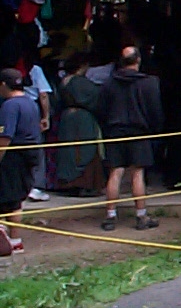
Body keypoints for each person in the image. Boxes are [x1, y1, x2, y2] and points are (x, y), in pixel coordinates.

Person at [96, 47, 163, 231]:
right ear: (138, 60)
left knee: (115, 172)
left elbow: (101, 109)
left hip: (115, 131)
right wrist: (155, 129)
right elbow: (155, 110)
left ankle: (110, 216)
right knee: (137, 173)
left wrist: (107, 128)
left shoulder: (108, 83)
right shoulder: (149, 83)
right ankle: (141, 216)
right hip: (139, 131)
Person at [1, 68, 40, 254]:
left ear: (3, 85)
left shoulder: (9, 106)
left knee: (7, 198)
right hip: (30, 153)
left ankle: (8, 237)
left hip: (13, 156)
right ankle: (15, 240)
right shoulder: (31, 103)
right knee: (16, 200)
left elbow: (5, 136)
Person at [55, 54, 105, 196]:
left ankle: (68, 183)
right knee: (84, 150)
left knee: (69, 150)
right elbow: (97, 98)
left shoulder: (63, 81)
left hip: (67, 118)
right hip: (82, 119)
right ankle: (84, 184)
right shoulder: (81, 83)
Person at [22, 56, 51, 201]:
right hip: (31, 107)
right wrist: (46, 116)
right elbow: (43, 94)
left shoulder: (8, 68)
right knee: (36, 147)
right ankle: (35, 187)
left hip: (9, 105)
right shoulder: (35, 69)